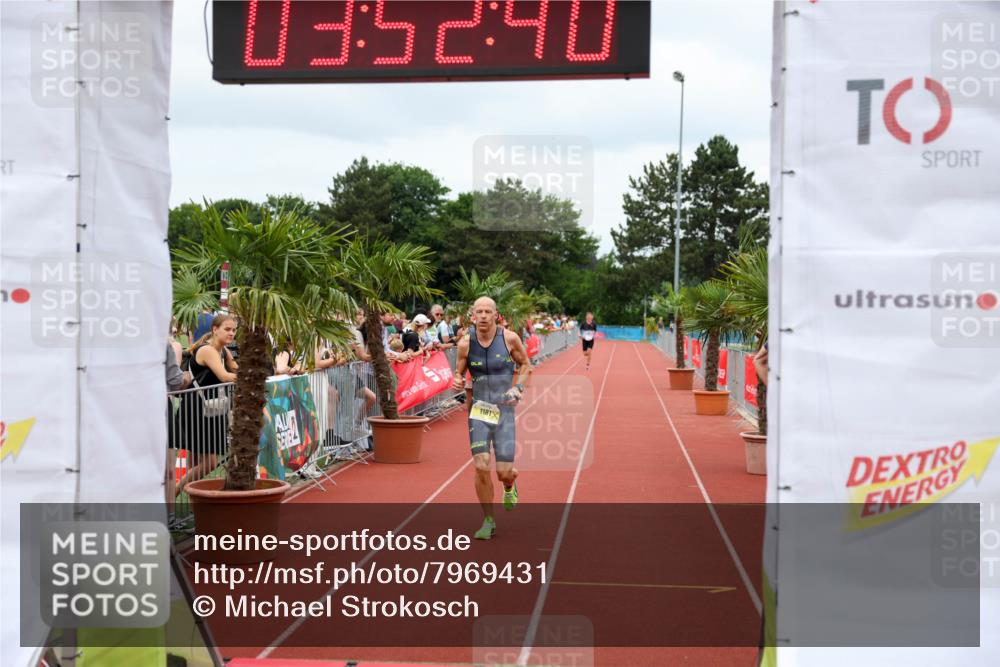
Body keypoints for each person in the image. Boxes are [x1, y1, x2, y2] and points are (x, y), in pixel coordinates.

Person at [452, 296, 531, 540]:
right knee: (481, 465)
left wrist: (517, 389)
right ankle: (488, 520)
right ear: (473, 316)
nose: (484, 316)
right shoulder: (465, 343)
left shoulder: (509, 339)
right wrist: (456, 380)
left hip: (504, 411)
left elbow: (527, 365)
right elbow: (459, 372)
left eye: (488, 311)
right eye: (479, 312)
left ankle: (510, 484)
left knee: (504, 472)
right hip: (479, 411)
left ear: (496, 314)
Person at [176, 314, 238, 495]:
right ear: (214, 329)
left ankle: (187, 501)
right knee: (209, 462)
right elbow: (225, 376)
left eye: (234, 330)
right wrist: (252, 377)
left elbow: (234, 368)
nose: (232, 333)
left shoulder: (222, 351)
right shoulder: (208, 350)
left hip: (211, 408)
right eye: (227, 329)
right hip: (198, 408)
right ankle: (173, 495)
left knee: (196, 462)